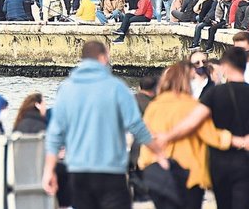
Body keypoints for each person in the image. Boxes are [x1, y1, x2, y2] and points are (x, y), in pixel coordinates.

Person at [43, 41, 164, 207]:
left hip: (78, 171)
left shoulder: (67, 89)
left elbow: (55, 134)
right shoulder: (116, 87)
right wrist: (159, 153)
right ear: (102, 58)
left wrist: (49, 170)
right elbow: (136, 125)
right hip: (111, 170)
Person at [160, 47, 249, 209]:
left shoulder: (214, 93)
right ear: (245, 66)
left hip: (219, 163)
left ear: (225, 67)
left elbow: (192, 122)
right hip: (248, 162)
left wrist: (167, 137)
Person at [139, 61, 249, 209]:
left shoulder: (154, 106)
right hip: (189, 172)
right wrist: (241, 141)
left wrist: (144, 163)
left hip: (157, 170)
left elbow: (145, 134)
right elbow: (212, 135)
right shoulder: (192, 106)